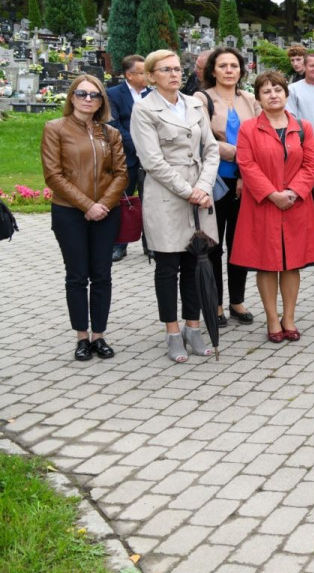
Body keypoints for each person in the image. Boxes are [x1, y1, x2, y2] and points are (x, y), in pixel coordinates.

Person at [130, 49, 221, 363]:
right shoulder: (144, 109)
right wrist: (188, 191)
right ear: (152, 76)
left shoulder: (194, 104)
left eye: (176, 69)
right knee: (169, 268)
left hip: (200, 194)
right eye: (165, 70)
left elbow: (211, 150)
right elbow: (152, 161)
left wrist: (204, 186)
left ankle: (193, 328)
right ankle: (172, 331)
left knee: (195, 264)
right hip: (168, 197)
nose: (173, 74)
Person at [230, 71, 314, 342]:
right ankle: (272, 319)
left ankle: (289, 317)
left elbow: (312, 165)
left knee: (292, 264)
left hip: (296, 204)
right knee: (267, 264)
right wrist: (272, 194)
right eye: (267, 91)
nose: (273, 95)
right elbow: (246, 165)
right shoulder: (249, 128)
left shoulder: (303, 127)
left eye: (278, 90)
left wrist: (293, 192)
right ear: (258, 98)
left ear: (286, 93)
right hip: (263, 205)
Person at [41, 74, 128, 360]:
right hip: (69, 212)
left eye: (95, 95)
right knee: (77, 276)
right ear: (71, 97)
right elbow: (54, 175)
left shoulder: (110, 133)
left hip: (106, 212)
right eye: (82, 94)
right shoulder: (55, 129)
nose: (88, 99)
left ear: (102, 100)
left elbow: (121, 174)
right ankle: (81, 337)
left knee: (102, 275)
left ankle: (99, 335)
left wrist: (102, 204)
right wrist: (86, 205)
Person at [196, 47, 261, 328]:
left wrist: (246, 172)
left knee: (240, 246)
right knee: (213, 247)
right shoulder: (201, 99)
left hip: (246, 182)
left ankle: (237, 301)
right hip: (214, 182)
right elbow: (203, 137)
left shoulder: (249, 99)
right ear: (213, 70)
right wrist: (238, 152)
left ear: (241, 70)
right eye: (223, 66)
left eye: (234, 66)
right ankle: (216, 304)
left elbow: (261, 135)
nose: (229, 70)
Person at [106, 54, 148, 261]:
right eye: (143, 72)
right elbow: (113, 125)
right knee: (124, 200)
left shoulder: (154, 94)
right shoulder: (113, 94)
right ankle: (119, 245)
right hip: (127, 157)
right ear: (129, 75)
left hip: (152, 159)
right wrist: (139, 146)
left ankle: (152, 245)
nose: (147, 75)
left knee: (151, 201)